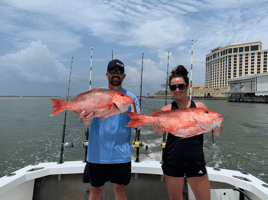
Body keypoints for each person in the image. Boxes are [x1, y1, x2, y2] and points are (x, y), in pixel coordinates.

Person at [151, 65, 222, 200]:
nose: (177, 90)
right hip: (172, 160)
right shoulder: (166, 109)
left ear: (187, 86)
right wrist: (156, 127)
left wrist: (217, 127)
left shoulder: (200, 107)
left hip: (195, 160)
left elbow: (216, 133)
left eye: (181, 86)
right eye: (173, 87)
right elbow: (160, 133)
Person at [80, 59, 140, 200]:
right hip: (97, 154)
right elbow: (84, 120)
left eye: (119, 71)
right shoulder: (96, 94)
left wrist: (140, 122)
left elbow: (137, 123)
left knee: (121, 190)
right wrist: (85, 119)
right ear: (107, 74)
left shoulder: (131, 98)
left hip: (121, 154)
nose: (116, 74)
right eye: (112, 71)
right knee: (95, 192)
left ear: (123, 76)